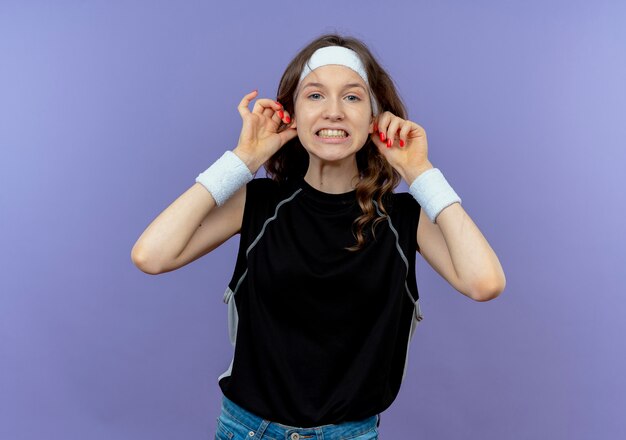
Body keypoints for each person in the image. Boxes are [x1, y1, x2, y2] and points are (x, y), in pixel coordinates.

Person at [131, 33, 506, 440]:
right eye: (314, 96)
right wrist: (244, 159)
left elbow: (484, 282)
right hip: (247, 431)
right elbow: (152, 255)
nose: (333, 112)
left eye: (352, 97)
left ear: (375, 117)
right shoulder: (257, 203)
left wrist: (420, 172)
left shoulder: (403, 217)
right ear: (291, 112)